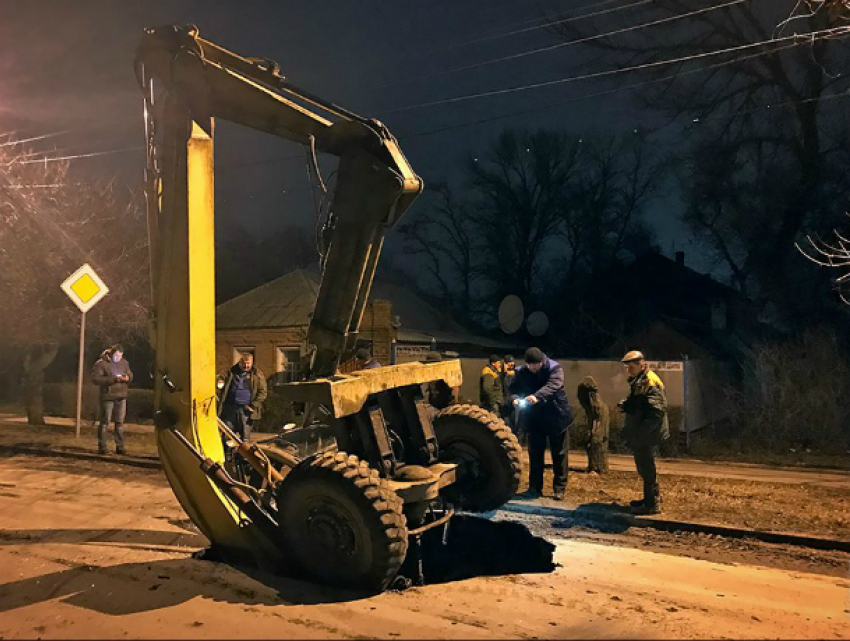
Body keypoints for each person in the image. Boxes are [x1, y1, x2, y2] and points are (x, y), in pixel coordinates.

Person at [510, 347, 573, 500]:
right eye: (530, 365)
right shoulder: (521, 371)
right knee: (535, 454)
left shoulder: (554, 368)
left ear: (541, 362)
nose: (533, 368)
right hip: (534, 418)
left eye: (535, 365)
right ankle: (534, 488)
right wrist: (514, 398)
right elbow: (513, 388)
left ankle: (559, 488)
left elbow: (553, 386)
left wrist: (536, 397)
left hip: (556, 416)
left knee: (559, 454)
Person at [619, 351, 669, 515]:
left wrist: (641, 434)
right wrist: (627, 404)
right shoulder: (640, 380)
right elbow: (640, 402)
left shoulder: (649, 381)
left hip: (647, 434)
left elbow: (656, 412)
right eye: (627, 366)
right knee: (644, 467)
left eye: (631, 366)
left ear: (641, 364)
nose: (628, 370)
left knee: (647, 468)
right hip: (643, 433)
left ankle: (652, 504)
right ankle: (649, 499)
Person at [91, 344, 133, 455]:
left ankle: (120, 447)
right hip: (108, 397)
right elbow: (96, 379)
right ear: (111, 354)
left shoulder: (124, 363)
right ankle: (102, 447)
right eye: (117, 356)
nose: (118, 358)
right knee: (105, 422)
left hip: (121, 396)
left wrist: (128, 378)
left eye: (120, 356)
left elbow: (130, 374)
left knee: (119, 423)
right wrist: (113, 379)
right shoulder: (101, 364)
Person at [217, 352, 268, 442]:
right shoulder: (231, 372)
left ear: (252, 363)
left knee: (245, 439)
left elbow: (262, 392)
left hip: (246, 411)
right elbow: (220, 383)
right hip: (230, 409)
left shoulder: (257, 375)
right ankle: (227, 456)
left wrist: (253, 405)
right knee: (227, 437)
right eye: (243, 363)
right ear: (239, 362)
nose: (246, 365)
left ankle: (242, 456)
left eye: (248, 363)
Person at [577, 376, 610, 474]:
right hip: (596, 421)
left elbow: (597, 419)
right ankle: (593, 466)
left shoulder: (596, 405)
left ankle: (598, 468)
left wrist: (593, 431)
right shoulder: (590, 404)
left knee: (595, 441)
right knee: (591, 442)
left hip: (598, 421)